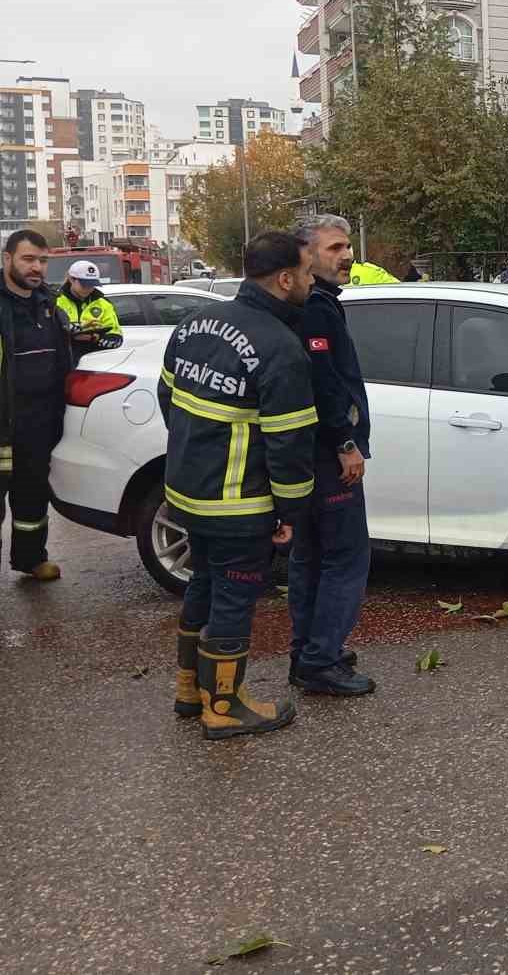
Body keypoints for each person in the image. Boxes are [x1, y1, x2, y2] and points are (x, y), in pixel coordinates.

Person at [161, 231, 318, 741]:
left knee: (203, 582)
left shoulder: (193, 324)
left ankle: (191, 689)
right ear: (285, 278)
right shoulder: (280, 346)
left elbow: (169, 398)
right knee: (234, 595)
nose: (313, 281)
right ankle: (225, 706)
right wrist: (290, 513)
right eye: (309, 272)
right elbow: (289, 443)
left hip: (186, 490)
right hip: (237, 501)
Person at [286, 216, 376, 697]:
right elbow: (322, 382)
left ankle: (309, 651)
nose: (347, 256)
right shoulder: (316, 308)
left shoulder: (310, 304)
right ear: (307, 255)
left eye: (348, 245)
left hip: (307, 455)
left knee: (311, 556)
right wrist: (345, 442)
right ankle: (321, 659)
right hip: (327, 456)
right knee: (345, 558)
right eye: (335, 247)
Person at [1, 230, 74, 583]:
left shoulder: (48, 303)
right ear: (7, 259)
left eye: (43, 261)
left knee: (32, 497)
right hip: (2, 423)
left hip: (38, 424)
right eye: (28, 259)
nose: (37, 268)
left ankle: (31, 559)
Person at [56, 260, 123, 354]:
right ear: (71, 279)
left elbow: (115, 334)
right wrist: (73, 334)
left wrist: (102, 338)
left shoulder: (104, 304)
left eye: (92, 285)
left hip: (93, 360)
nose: (88, 289)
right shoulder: (55, 301)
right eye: (84, 285)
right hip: (62, 359)